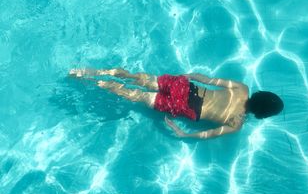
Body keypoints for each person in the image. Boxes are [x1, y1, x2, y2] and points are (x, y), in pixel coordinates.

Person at [69, 68, 284, 139]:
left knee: (139, 78)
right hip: (184, 108)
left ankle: (102, 71)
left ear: (260, 94)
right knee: (133, 95)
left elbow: (208, 80)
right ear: (263, 114)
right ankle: (94, 80)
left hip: (188, 88)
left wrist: (186, 75)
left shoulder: (242, 88)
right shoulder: (236, 124)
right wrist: (183, 134)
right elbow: (206, 134)